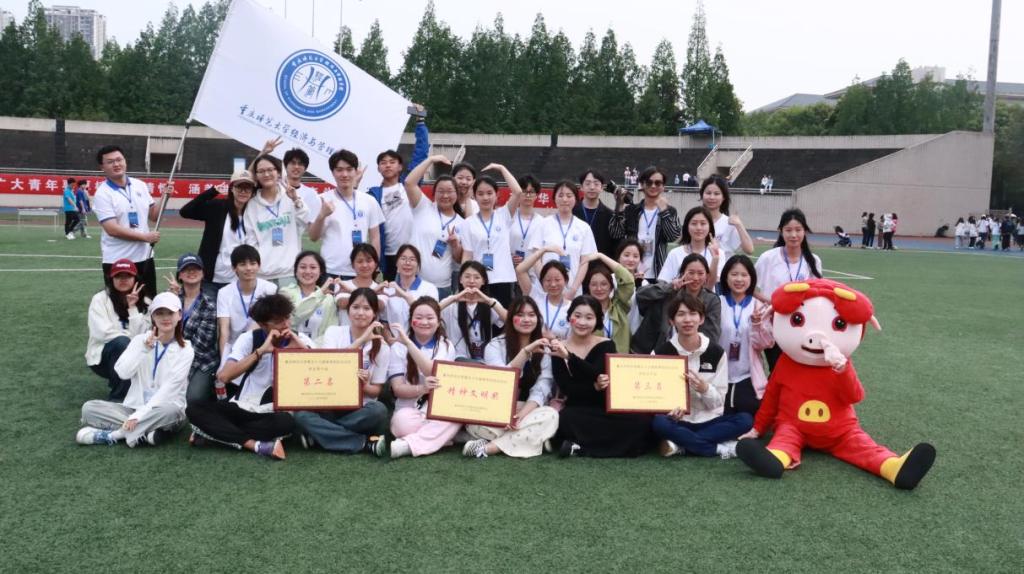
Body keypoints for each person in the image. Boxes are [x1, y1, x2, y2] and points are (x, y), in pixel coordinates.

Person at [186, 294, 310, 460]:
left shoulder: (301, 339)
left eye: (287, 317)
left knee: (285, 423)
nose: (286, 324)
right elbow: (224, 376)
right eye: (278, 321)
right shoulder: (249, 339)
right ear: (263, 324)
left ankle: (214, 433)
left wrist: (301, 350)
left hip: (275, 411)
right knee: (194, 409)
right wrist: (261, 351)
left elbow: (319, 375)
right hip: (243, 406)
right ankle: (255, 445)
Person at [76, 292, 193, 447]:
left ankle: (115, 435)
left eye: (170, 313)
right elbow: (122, 373)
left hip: (165, 409)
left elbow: (170, 389)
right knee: (89, 408)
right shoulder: (140, 340)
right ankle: (148, 432)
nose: (165, 318)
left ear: (179, 315)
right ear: (152, 317)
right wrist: (143, 349)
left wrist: (138, 416)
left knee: (171, 412)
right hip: (134, 407)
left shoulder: (186, 349)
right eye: (159, 313)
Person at [651, 292, 753, 459]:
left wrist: (704, 389)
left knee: (745, 420)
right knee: (659, 423)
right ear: (671, 321)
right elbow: (655, 397)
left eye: (693, 314)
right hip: (678, 421)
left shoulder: (716, 353)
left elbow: (718, 402)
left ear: (702, 319)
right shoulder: (660, 353)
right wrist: (669, 410)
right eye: (681, 314)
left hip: (710, 420)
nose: (687, 320)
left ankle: (681, 445)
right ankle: (718, 448)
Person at [293, 288, 390, 456]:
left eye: (366, 308)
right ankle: (364, 443)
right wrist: (361, 340)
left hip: (360, 408)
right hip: (329, 403)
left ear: (374, 313)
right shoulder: (334, 332)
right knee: (301, 415)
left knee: (379, 410)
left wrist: (364, 385)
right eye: (356, 307)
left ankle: (320, 435)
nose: (361, 313)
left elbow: (376, 390)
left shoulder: (382, 347)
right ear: (348, 310)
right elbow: (329, 366)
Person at [552, 296, 652, 458]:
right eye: (577, 316)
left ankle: (581, 448)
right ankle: (599, 447)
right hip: (578, 408)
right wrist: (594, 386)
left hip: (606, 407)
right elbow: (567, 388)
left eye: (589, 317)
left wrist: (570, 357)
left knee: (641, 421)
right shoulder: (558, 348)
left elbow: (598, 373)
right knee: (565, 419)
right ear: (569, 317)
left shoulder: (606, 344)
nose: (582, 322)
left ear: (597, 320)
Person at [463, 296, 560, 459]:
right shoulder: (495, 345)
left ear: (538, 319)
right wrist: (525, 352)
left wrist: (520, 416)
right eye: (520, 315)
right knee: (473, 419)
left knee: (551, 415)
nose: (526, 319)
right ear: (510, 319)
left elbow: (542, 388)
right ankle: (533, 437)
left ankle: (488, 447)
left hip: (526, 409)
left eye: (531, 315)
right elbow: (502, 381)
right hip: (496, 407)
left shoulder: (545, 350)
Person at [387, 297, 461, 458]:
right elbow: (398, 389)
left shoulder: (445, 345)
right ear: (411, 321)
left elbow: (432, 373)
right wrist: (422, 388)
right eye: (418, 318)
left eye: (430, 318)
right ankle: (442, 437)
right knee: (401, 424)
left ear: (438, 322)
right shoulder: (398, 347)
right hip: (409, 410)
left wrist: (409, 344)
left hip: (437, 409)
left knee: (455, 416)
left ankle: (407, 446)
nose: (424, 322)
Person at [93, 145, 165, 298]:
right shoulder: (102, 194)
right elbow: (112, 229)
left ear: (125, 161)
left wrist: (165, 196)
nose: (116, 164)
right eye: (110, 162)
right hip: (118, 260)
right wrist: (145, 237)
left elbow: (154, 215)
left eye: (119, 160)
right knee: (121, 306)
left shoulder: (140, 185)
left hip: (145, 257)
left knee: (148, 302)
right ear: (102, 167)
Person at [367, 106, 430, 281]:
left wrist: (420, 122)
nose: (387, 165)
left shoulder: (409, 185)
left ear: (400, 167)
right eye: (383, 162)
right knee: (390, 292)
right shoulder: (373, 195)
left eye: (392, 162)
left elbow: (421, 153)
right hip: (389, 255)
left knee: (415, 292)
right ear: (378, 168)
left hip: (414, 250)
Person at [755, 209, 822, 368]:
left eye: (798, 230)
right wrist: (771, 302)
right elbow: (750, 287)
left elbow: (818, 293)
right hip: (773, 324)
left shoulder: (813, 261)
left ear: (805, 231)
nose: (793, 235)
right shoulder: (768, 258)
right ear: (781, 231)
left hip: (802, 325)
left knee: (798, 368)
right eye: (788, 230)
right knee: (777, 368)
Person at [309, 149, 385, 280]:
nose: (344, 174)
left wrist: (374, 266)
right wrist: (322, 215)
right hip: (330, 270)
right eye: (339, 170)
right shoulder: (321, 200)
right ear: (332, 172)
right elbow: (313, 237)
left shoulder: (369, 201)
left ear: (356, 171)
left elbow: (375, 237)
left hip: (361, 270)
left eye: (349, 169)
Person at [179, 170, 256, 291]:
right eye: (239, 187)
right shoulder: (217, 207)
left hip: (240, 279)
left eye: (247, 188)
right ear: (232, 189)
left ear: (252, 191)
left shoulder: (255, 213)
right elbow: (185, 211)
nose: (243, 191)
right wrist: (211, 192)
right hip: (212, 278)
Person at [458, 164, 522, 308]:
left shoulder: (504, 215)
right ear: (474, 196)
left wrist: (501, 168)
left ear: (496, 194)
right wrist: (463, 280)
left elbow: (518, 192)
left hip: (503, 278)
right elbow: (467, 255)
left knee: (502, 317)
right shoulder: (468, 223)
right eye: (480, 194)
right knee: (481, 318)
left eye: (489, 193)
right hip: (479, 281)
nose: (485, 197)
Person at [86, 259, 151, 401]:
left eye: (127, 276)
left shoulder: (146, 302)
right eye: (118, 276)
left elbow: (144, 334)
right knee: (121, 343)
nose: (123, 280)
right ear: (111, 279)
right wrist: (131, 342)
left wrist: (132, 308)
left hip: (137, 354)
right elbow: (102, 333)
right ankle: (118, 398)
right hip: (103, 357)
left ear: (135, 279)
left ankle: (144, 392)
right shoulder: (100, 299)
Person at [402, 155, 465, 298]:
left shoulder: (462, 223)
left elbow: (459, 260)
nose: (445, 195)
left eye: (449, 191)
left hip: (441, 286)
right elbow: (409, 183)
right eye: (441, 191)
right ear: (434, 193)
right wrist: (430, 160)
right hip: (412, 280)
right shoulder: (423, 207)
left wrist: (455, 245)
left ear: (457, 194)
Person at [717, 255, 773, 416]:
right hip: (719, 374)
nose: (739, 279)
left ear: (751, 278)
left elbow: (766, 344)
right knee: (719, 415)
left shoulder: (759, 306)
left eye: (744, 275)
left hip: (748, 375)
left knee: (748, 418)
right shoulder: (717, 303)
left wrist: (757, 324)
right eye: (734, 274)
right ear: (726, 277)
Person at [635, 253, 721, 354]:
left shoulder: (711, 300)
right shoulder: (670, 292)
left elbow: (712, 335)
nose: (695, 278)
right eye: (691, 273)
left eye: (700, 273)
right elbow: (640, 294)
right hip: (659, 351)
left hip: (694, 353)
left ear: (706, 275)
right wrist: (670, 287)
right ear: (682, 273)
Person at [243, 154, 308, 285]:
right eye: (261, 171)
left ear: (278, 172)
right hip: (263, 276)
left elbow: (304, 220)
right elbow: (250, 240)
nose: (266, 174)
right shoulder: (252, 205)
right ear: (256, 176)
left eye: (270, 170)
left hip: (289, 273)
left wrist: (295, 200)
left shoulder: (290, 196)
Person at [164, 254, 219, 405]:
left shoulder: (209, 305)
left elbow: (201, 344)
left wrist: (179, 370)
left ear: (203, 274)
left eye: (196, 269)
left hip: (201, 360)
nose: (191, 272)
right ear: (180, 275)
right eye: (186, 269)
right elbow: (160, 330)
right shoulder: (170, 299)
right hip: (172, 355)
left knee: (192, 398)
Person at [609, 166, 682, 282]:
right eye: (649, 182)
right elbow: (615, 233)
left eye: (658, 183)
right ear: (642, 185)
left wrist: (664, 212)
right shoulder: (631, 210)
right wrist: (620, 206)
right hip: (632, 272)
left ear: (663, 186)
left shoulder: (670, 211)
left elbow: (673, 236)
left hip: (658, 272)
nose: (653, 186)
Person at [529, 180, 598, 291]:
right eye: (560, 195)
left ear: (576, 199)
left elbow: (585, 262)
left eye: (569, 196)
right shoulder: (543, 224)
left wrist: (573, 289)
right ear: (554, 198)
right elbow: (536, 258)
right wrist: (545, 281)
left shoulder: (584, 227)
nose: (565, 199)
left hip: (572, 290)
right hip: (545, 289)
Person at [215, 245, 278, 362]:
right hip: (234, 349)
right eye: (242, 264)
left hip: (262, 347)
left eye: (253, 263)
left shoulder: (270, 289)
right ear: (234, 268)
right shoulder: (224, 293)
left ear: (259, 265)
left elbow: (266, 323)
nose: (248, 268)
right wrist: (225, 362)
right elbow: (224, 330)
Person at [440, 261, 507, 360]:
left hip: (483, 360)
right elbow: (428, 312)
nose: (471, 281)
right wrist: (454, 299)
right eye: (467, 276)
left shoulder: (490, 303)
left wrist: (489, 301)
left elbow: (511, 320)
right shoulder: (450, 303)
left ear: (483, 281)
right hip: (456, 359)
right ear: (460, 279)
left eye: (477, 277)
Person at [574, 252, 636, 354]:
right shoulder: (583, 311)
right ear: (588, 287)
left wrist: (601, 256)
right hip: (594, 362)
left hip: (619, 361)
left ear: (611, 287)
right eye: (594, 284)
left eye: (604, 284)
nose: (599, 289)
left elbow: (628, 280)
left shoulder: (619, 305)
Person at [280, 250, 339, 346]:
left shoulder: (329, 299)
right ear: (296, 270)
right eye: (303, 267)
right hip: (290, 348)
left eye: (313, 267)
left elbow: (331, 331)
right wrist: (320, 293)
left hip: (318, 350)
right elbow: (293, 319)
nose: (307, 271)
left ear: (320, 271)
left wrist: (311, 347)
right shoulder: (285, 293)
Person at [516, 249, 573, 340]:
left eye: (557, 280)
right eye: (548, 280)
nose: (553, 284)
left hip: (559, 348)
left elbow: (573, 341)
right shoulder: (535, 297)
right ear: (542, 282)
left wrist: (554, 339)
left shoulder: (572, 308)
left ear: (565, 280)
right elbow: (520, 270)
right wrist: (543, 250)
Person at [660, 206, 721, 285]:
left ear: (710, 227)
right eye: (694, 223)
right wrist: (674, 284)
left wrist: (715, 259)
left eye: (703, 223)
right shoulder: (675, 253)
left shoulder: (718, 253)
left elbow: (714, 284)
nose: (698, 228)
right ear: (687, 227)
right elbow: (663, 282)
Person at [385, 244, 440, 330]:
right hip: (394, 338)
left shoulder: (430, 289)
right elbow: (384, 321)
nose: (407, 263)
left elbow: (429, 315)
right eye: (403, 259)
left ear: (418, 265)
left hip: (420, 336)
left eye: (412, 259)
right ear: (396, 263)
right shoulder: (389, 290)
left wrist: (403, 295)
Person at [700, 176, 753, 261]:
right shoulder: (694, 220)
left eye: (716, 194)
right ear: (702, 195)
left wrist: (739, 225)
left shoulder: (729, 223)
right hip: (699, 268)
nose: (712, 197)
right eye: (708, 193)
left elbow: (749, 250)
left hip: (723, 268)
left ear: (723, 197)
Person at [334, 244, 387, 327]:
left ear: (376, 264)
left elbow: (379, 305)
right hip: (344, 334)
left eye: (369, 261)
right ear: (352, 264)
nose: (364, 265)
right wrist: (375, 291)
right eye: (360, 261)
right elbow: (342, 303)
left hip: (370, 334)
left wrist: (349, 291)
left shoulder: (382, 288)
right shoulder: (342, 285)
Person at [573, 169, 616, 259]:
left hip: (600, 265)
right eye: (588, 184)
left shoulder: (610, 215)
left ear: (602, 188)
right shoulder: (572, 212)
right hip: (576, 262)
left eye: (596, 184)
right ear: (581, 187)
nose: (592, 187)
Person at [509, 174, 543, 286]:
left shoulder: (542, 222)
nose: (528, 195)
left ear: (536, 195)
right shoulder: (509, 217)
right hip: (509, 271)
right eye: (524, 191)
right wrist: (509, 257)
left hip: (532, 275)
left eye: (531, 192)